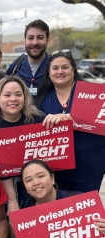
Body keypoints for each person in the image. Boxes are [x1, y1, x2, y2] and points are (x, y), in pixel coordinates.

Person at [35, 50, 105, 192]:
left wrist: (72, 119)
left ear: (73, 70)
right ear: (49, 72)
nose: (60, 72)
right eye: (55, 68)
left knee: (85, 212)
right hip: (55, 170)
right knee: (60, 211)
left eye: (65, 67)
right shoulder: (41, 100)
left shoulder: (93, 93)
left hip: (89, 167)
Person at [0, 75, 44, 213]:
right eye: (7, 95)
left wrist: (59, 118)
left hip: (36, 175)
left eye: (18, 94)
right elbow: (1, 169)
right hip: (7, 179)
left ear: (25, 97)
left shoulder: (37, 118)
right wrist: (12, 201)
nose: (13, 99)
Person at [5, 19, 50, 96]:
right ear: (24, 41)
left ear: (47, 41)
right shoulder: (16, 65)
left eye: (40, 37)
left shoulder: (55, 67)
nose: (35, 42)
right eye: (30, 38)